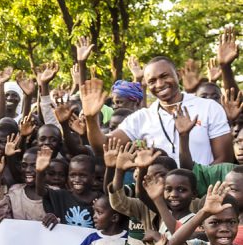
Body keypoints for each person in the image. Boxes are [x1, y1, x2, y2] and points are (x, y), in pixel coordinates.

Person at [83, 58, 233, 165]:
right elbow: (103, 147)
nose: (160, 84)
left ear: (178, 75)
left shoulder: (208, 107)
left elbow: (224, 158)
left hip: (204, 196)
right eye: (152, 81)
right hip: (159, 199)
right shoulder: (142, 117)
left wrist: (195, 185)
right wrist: (91, 118)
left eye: (164, 76)